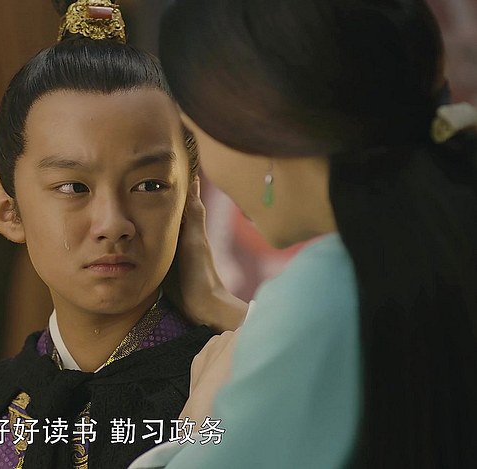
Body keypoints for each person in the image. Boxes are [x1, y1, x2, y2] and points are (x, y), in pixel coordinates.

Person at [0, 1, 243, 467]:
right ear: (8, 211)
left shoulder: (235, 391)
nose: (113, 223)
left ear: (189, 200)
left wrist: (220, 307)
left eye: (149, 185)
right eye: (73, 187)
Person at [130, 0, 477, 467]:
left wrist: (200, 420)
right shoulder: (437, 234)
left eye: (196, 133)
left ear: (257, 124)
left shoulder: (327, 292)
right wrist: (233, 315)